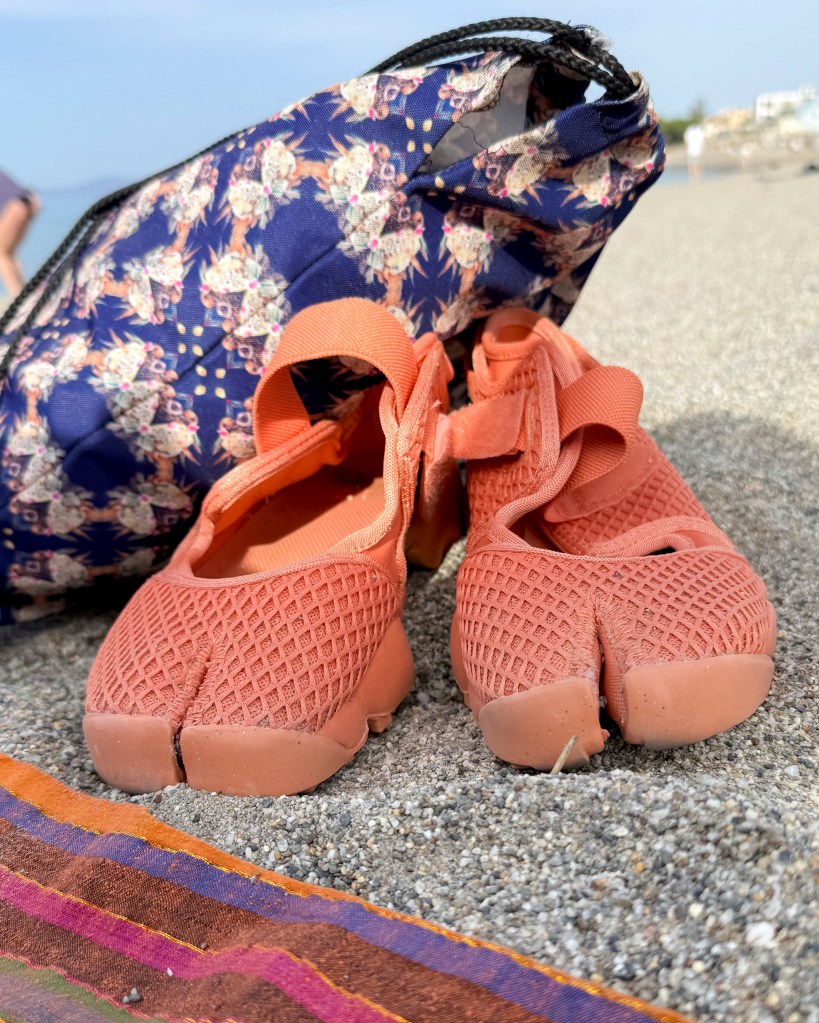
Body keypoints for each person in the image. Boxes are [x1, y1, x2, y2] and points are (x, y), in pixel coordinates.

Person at [0, 168, 40, 299]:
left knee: (2, 253)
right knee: (8, 254)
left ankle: (19, 298)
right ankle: (25, 295)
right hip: (29, 201)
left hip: (16, 206)